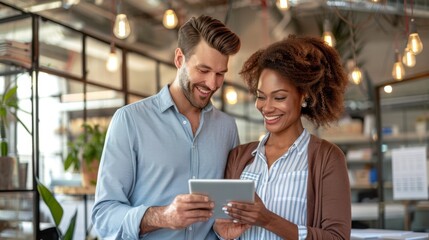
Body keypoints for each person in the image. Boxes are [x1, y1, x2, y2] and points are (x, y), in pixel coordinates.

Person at [92, 15, 241, 239]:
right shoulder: (130, 121)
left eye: (220, 74)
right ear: (180, 59)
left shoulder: (227, 128)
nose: (212, 84)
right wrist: (163, 216)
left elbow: (226, 209)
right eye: (203, 70)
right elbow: (104, 216)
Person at [214, 35, 351, 240]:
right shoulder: (239, 157)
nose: (266, 107)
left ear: (303, 95)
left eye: (279, 97)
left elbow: (337, 237)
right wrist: (221, 232)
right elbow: (226, 224)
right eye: (261, 96)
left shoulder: (327, 158)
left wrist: (268, 220)